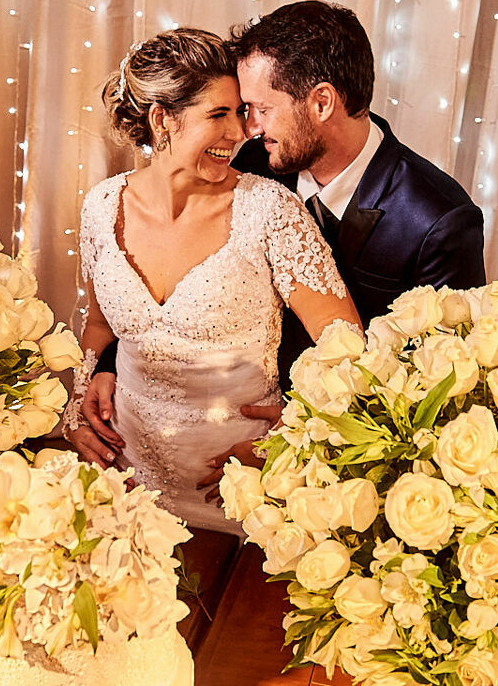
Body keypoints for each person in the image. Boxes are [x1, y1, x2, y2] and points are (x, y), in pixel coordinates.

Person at [74, 0, 486, 478]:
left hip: (328, 460)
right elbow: (130, 312)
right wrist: (104, 370)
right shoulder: (252, 161)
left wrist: (301, 433)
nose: (245, 129)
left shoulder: (437, 219)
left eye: (259, 110)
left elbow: (442, 378)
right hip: (139, 445)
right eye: (239, 110)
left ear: (321, 103)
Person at [62, 27, 358, 532]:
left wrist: (291, 436)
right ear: (162, 119)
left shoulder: (270, 211)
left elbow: (345, 345)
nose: (240, 133)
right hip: (123, 477)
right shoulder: (101, 207)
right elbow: (99, 325)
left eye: (241, 113)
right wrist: (79, 400)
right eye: (219, 115)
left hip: (242, 488)